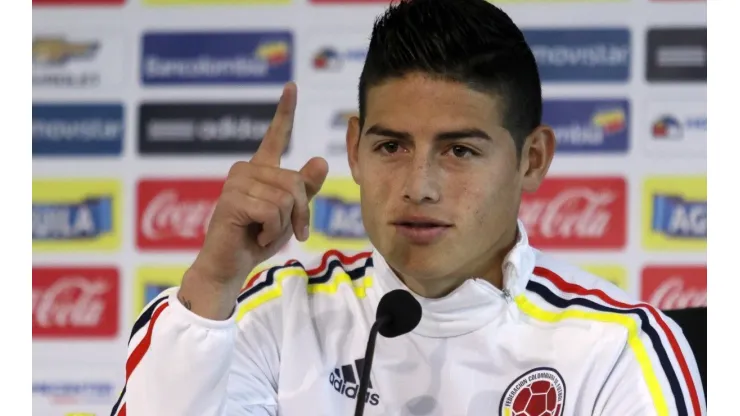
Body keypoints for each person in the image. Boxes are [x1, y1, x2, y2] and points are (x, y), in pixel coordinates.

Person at [111, 0, 706, 414]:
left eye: (460, 151)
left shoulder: (617, 344)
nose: (418, 185)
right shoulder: (273, 312)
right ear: (354, 149)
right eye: (391, 146)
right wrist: (214, 283)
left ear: (532, 159)